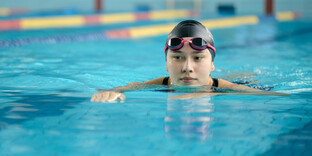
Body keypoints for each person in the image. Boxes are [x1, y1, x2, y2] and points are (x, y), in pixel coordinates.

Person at [91, 20, 288, 102]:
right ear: (166, 63)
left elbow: (280, 96)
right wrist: (110, 94)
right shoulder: (160, 84)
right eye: (177, 57)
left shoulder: (227, 88)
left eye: (198, 58)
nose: (187, 68)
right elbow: (123, 88)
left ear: (212, 64)